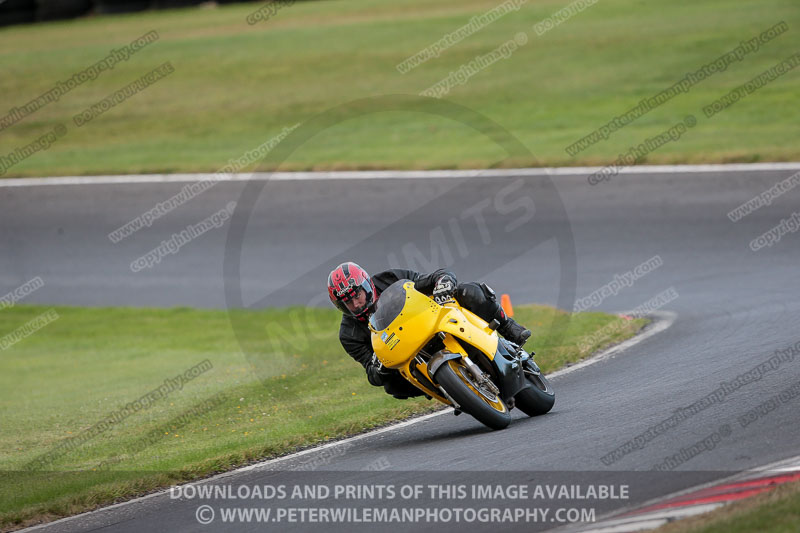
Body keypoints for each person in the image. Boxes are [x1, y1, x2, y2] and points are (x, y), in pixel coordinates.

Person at [327, 262, 532, 399]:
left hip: (430, 321)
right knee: (392, 386)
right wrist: (377, 368)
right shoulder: (349, 334)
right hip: (407, 354)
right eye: (348, 302)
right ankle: (444, 389)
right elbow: (371, 374)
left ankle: (508, 327)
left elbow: (430, 278)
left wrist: (443, 282)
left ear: (366, 285)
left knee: (469, 291)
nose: (356, 304)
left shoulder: (390, 278)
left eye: (357, 295)